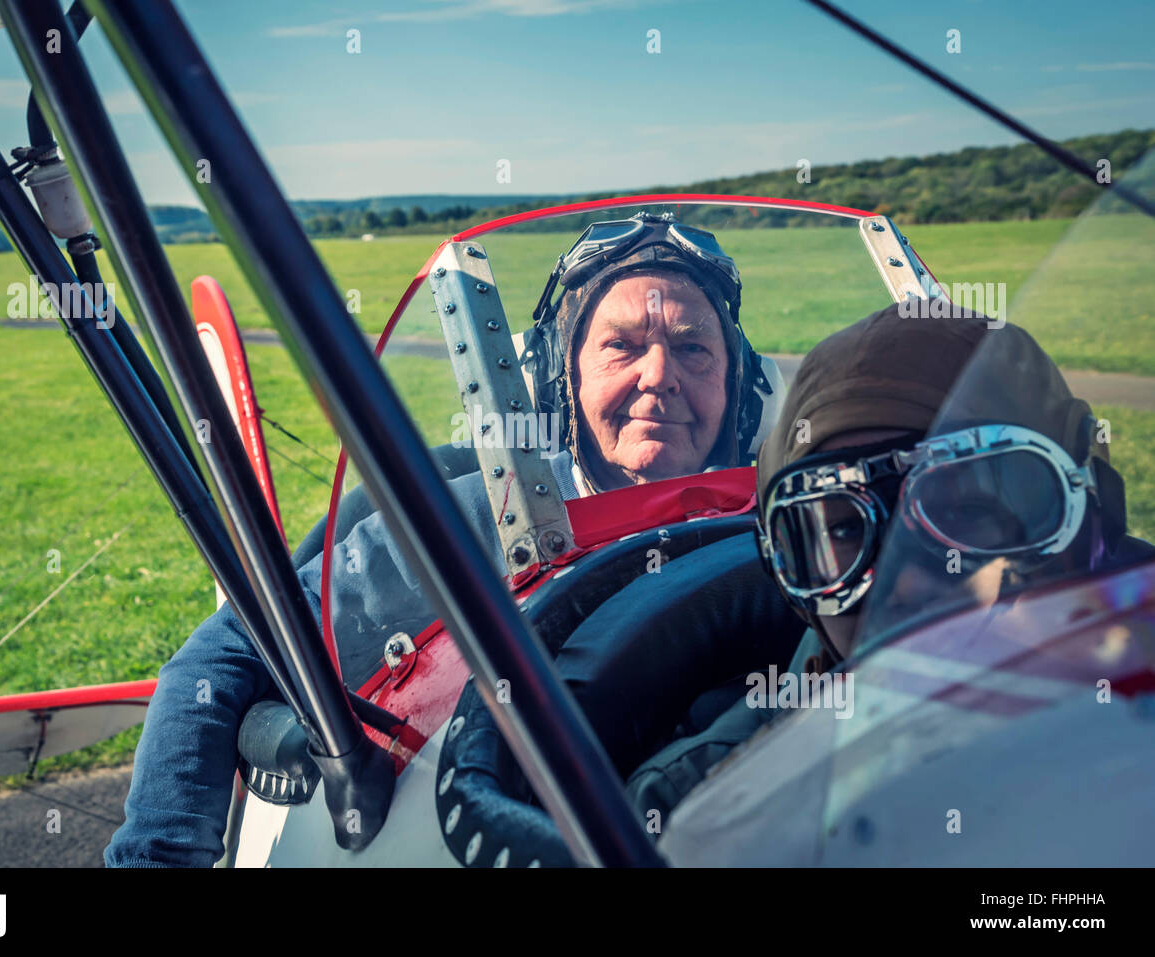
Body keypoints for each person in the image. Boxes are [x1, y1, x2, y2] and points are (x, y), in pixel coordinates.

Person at [105, 212, 778, 866]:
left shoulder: (779, 526)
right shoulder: (466, 524)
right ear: (560, 377)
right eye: (623, 345)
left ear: (738, 384)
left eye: (693, 347)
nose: (660, 374)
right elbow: (228, 648)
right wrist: (156, 855)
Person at [623, 300, 1138, 822]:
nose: (906, 578)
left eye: (962, 511)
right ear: (787, 572)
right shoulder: (701, 813)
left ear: (1088, 514)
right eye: (845, 528)